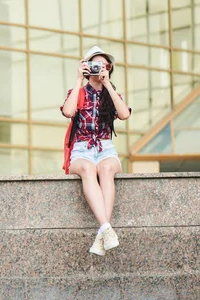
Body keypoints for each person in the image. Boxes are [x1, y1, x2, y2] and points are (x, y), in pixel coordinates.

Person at [60, 46, 131, 256]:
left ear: (109, 69)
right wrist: (77, 80)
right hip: (81, 149)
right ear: (86, 68)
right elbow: (68, 111)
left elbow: (124, 114)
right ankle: (106, 230)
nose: (99, 69)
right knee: (88, 169)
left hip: (105, 147)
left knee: (107, 168)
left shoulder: (112, 94)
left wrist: (107, 83)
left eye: (104, 65)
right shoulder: (78, 92)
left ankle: (103, 232)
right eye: (95, 65)